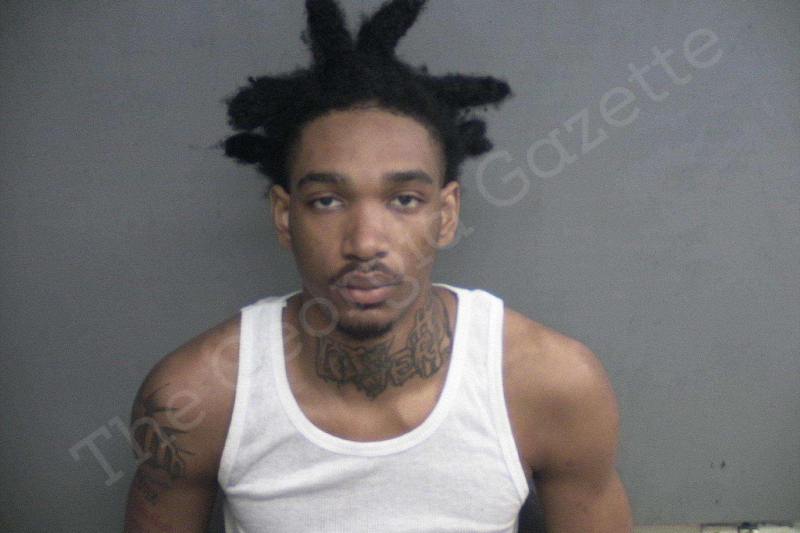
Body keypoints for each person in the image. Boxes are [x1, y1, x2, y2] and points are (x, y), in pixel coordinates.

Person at [123, 1, 634, 531]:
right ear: (284, 216)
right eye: (327, 201)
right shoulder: (196, 400)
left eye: (404, 200)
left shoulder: (552, 384)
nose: (365, 243)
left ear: (446, 215)